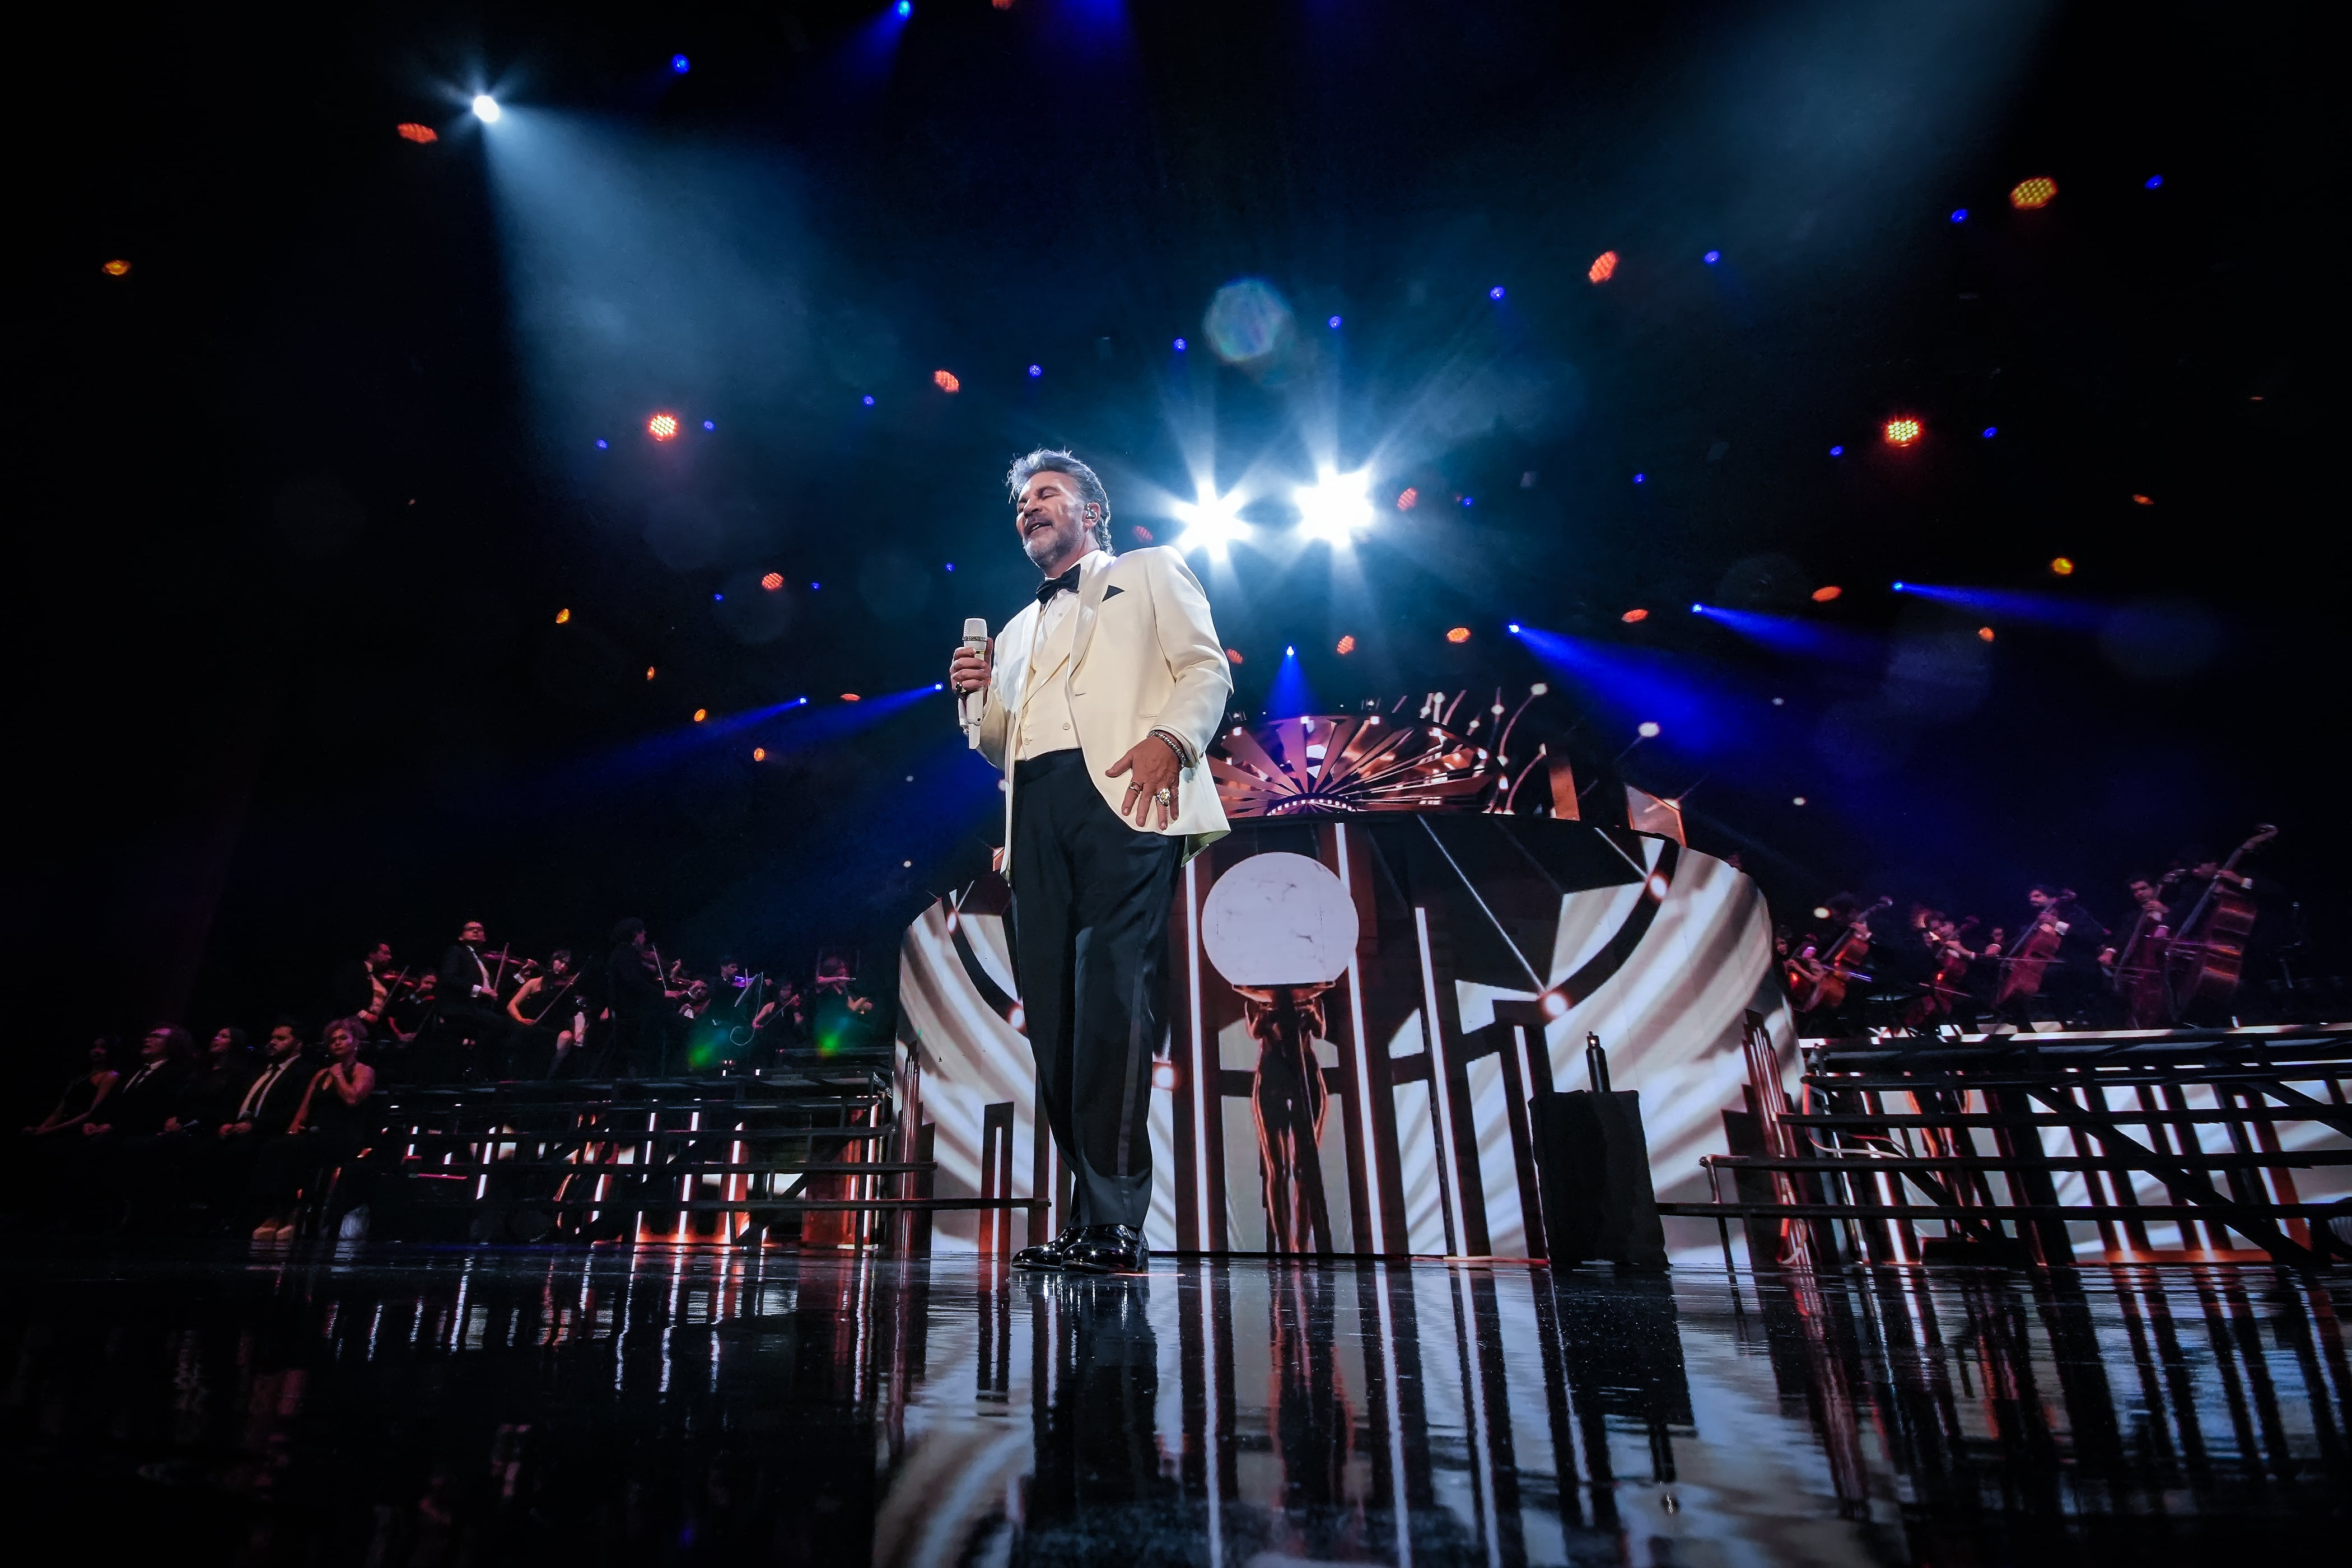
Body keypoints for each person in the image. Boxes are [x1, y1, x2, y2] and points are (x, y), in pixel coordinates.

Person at [946, 448, 1231, 1274]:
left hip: (1125, 791)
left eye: (1046, 495)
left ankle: (1115, 1221)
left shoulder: (1148, 571)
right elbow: (1004, 744)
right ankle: (1088, 1216)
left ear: (1090, 511)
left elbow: (1204, 669)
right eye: (1021, 503)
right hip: (1033, 809)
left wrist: (1171, 741)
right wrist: (974, 698)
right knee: (1056, 1018)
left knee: (1110, 997)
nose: (1029, 509)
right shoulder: (1016, 627)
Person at [250, 1018, 377, 1241]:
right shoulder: (320, 1075)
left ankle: (292, 1213)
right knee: (277, 1148)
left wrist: (338, 1075)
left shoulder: (363, 1071)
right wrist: (292, 1132)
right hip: (315, 1133)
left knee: (299, 1150)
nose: (337, 1043)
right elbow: (304, 1110)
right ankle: (279, 1211)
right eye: (332, 1040)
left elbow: (352, 1099)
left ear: (355, 1042)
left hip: (342, 1136)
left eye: (342, 1039)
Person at [430, 920, 513, 1079]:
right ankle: (485, 1071)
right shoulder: (456, 951)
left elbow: (495, 987)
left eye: (480, 930)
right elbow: (448, 978)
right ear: (461, 937)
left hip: (477, 1008)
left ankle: (479, 1068)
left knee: (502, 1024)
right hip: (460, 1007)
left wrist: (520, 975)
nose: (476, 931)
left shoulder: (480, 960)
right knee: (502, 1025)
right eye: (471, 929)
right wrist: (479, 990)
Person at [506, 949, 584, 1077]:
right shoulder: (535, 983)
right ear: (553, 960)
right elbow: (512, 1005)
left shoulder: (566, 989)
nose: (563, 967)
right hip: (535, 1027)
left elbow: (571, 1016)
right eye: (561, 962)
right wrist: (521, 1019)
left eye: (567, 965)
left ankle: (550, 1076)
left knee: (566, 1037)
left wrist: (574, 1035)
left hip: (555, 1030)